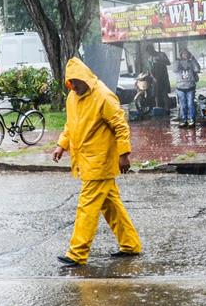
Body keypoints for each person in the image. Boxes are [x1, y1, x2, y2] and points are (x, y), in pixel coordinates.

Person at [51, 57, 142, 266]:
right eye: (70, 83)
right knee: (111, 205)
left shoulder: (103, 95)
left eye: (76, 82)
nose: (73, 87)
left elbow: (120, 125)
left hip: (100, 162)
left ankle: (77, 253)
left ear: (84, 78)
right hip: (86, 160)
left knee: (87, 206)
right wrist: (61, 145)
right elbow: (70, 125)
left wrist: (124, 155)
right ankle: (130, 244)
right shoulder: (73, 97)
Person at [173, 47, 201, 128]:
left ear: (189, 54)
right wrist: (177, 61)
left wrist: (193, 59)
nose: (185, 55)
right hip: (180, 87)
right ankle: (183, 120)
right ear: (181, 54)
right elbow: (174, 69)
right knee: (183, 105)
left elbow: (197, 69)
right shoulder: (178, 62)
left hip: (190, 86)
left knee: (190, 104)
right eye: (183, 53)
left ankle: (192, 120)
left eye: (186, 53)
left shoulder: (191, 62)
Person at [143, 43, 170, 112]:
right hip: (155, 78)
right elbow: (149, 70)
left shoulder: (162, 54)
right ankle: (157, 107)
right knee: (156, 94)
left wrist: (161, 60)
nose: (149, 53)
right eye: (148, 52)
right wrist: (153, 78)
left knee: (164, 93)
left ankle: (167, 108)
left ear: (152, 49)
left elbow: (168, 63)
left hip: (164, 78)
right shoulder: (150, 59)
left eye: (150, 51)